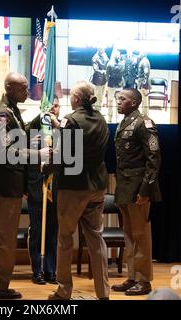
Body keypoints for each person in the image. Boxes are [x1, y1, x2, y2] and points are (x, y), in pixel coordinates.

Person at [0, 72, 50, 299]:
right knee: (5, 239)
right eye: (23, 88)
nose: (27, 92)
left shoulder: (11, 109)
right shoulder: (3, 113)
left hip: (9, 183)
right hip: (4, 184)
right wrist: (37, 154)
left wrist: (40, 119)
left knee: (4, 237)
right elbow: (4, 151)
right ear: (9, 87)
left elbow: (17, 136)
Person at [48, 81, 110, 300]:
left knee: (65, 239)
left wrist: (57, 129)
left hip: (73, 187)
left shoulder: (71, 119)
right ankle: (103, 293)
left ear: (76, 98)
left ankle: (63, 291)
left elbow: (62, 153)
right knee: (96, 239)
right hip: (98, 187)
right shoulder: (102, 119)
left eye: (72, 95)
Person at [112, 88, 161, 296]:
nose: (118, 102)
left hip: (138, 186)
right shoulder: (124, 122)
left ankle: (144, 280)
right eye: (118, 98)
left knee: (141, 235)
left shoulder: (144, 123)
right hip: (124, 185)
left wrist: (146, 189)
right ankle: (132, 277)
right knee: (130, 235)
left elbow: (154, 157)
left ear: (134, 103)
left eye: (123, 99)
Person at [26, 96, 60, 285]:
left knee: (53, 232)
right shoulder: (33, 129)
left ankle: (51, 270)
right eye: (50, 107)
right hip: (37, 187)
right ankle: (37, 270)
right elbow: (25, 160)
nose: (53, 109)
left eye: (56, 106)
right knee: (38, 230)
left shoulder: (63, 129)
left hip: (56, 188)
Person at [106, 49, 125, 123]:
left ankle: (109, 119)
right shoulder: (123, 63)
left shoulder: (109, 64)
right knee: (119, 102)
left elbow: (107, 76)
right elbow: (123, 73)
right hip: (119, 85)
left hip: (111, 85)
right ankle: (118, 120)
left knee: (110, 102)